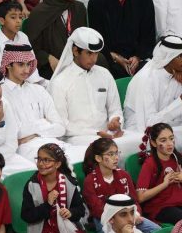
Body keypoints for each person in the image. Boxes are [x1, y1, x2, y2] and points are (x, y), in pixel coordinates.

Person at [49, 27, 139, 155]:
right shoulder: (60, 82)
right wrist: (96, 133)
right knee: (107, 149)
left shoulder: (104, 74)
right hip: (77, 138)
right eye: (89, 53)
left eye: (96, 54)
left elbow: (115, 109)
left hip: (108, 134)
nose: (94, 59)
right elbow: (62, 124)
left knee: (140, 141)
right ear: (75, 51)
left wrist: (115, 122)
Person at [87, 0, 155, 78]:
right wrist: (117, 58)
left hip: (140, 59)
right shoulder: (96, 3)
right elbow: (97, 40)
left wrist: (138, 57)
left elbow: (148, 35)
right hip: (110, 59)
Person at [25, 0, 97, 78]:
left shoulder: (79, 8)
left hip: (78, 62)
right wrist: (47, 57)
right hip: (52, 66)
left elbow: (84, 39)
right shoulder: (39, 13)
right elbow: (31, 49)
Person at [82, 140, 157, 233]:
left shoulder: (124, 175)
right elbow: (97, 209)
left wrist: (136, 214)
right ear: (98, 158)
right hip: (105, 220)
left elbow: (134, 200)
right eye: (110, 154)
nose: (116, 157)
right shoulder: (90, 181)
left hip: (130, 216)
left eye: (116, 153)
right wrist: (120, 220)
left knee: (158, 230)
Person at [21, 143, 87, 233]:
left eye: (46, 160)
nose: (40, 164)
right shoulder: (32, 185)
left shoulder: (69, 183)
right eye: (39, 159)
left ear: (57, 164)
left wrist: (70, 213)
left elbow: (80, 210)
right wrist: (47, 204)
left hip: (67, 229)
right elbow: (26, 216)